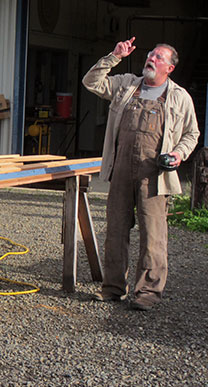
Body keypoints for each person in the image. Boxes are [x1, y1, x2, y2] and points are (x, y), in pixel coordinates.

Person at [82, 37, 199, 311]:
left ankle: (147, 292)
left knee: (153, 234)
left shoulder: (179, 97)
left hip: (154, 174)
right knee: (115, 229)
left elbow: (192, 134)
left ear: (169, 68)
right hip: (121, 168)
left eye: (159, 57)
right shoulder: (126, 85)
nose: (152, 58)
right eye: (151, 54)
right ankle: (112, 288)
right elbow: (91, 82)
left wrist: (179, 154)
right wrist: (114, 56)